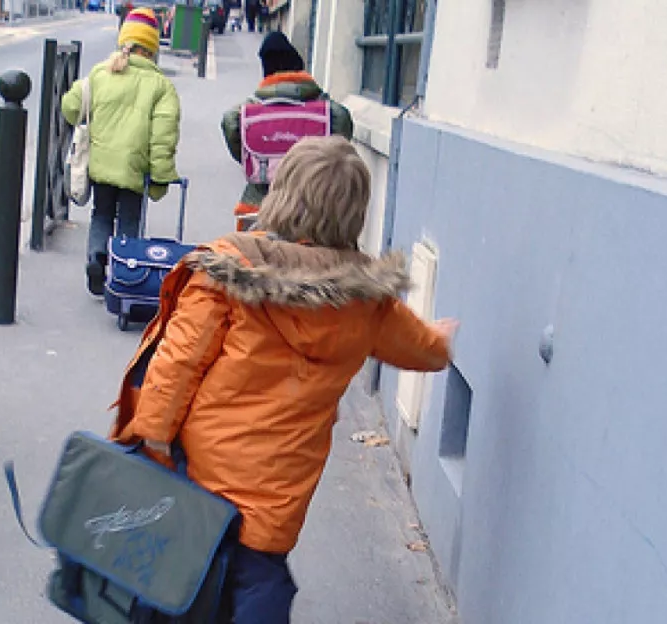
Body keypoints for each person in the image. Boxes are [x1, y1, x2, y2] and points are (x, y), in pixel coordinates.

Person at [108, 136, 457, 623]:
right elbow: (420, 349)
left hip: (199, 471)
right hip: (276, 492)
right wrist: (441, 343)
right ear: (354, 212)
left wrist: (154, 438)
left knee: (177, 573)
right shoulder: (366, 302)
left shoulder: (228, 272)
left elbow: (178, 362)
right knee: (258, 575)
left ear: (283, 191)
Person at [61, 8, 181, 296]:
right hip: (135, 169)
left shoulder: (101, 73)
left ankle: (97, 258)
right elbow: (163, 138)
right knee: (129, 220)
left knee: (101, 214)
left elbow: (70, 106)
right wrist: (162, 178)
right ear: (153, 47)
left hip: (101, 164)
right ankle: (125, 273)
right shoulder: (161, 87)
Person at [221, 31, 353, 231]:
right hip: (314, 207)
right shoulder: (329, 112)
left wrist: (254, 157)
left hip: (260, 204)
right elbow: (342, 135)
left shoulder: (248, 112)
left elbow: (229, 122)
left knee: (253, 256)